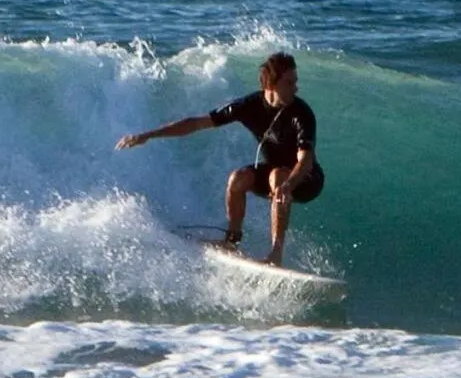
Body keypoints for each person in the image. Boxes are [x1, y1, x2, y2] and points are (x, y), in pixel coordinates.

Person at [115, 51, 325, 266]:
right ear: (271, 84)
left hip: (306, 179)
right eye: (290, 83)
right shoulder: (248, 105)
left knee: (278, 176)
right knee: (237, 179)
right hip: (276, 176)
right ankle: (231, 241)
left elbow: (305, 160)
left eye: (295, 82)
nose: (296, 88)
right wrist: (147, 135)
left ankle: (275, 254)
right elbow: (196, 123)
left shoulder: (302, 113)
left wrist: (288, 185)